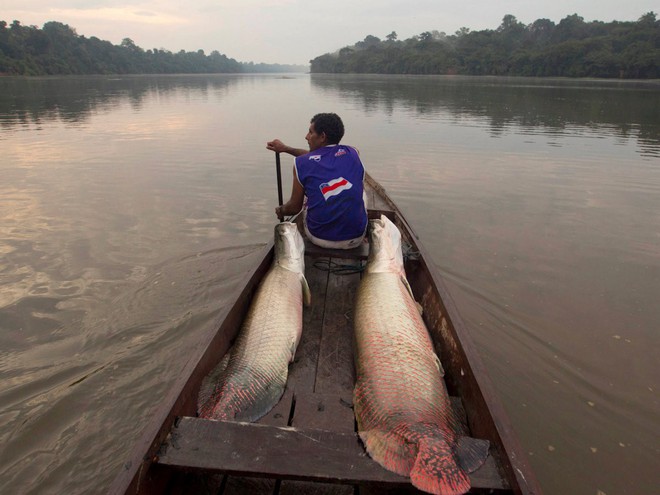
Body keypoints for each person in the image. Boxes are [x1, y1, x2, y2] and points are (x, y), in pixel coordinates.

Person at [266, 113, 368, 250]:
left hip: (319, 237)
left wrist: (281, 210)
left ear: (322, 137)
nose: (306, 137)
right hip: (356, 238)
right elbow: (316, 156)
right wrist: (286, 149)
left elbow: (294, 208)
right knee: (362, 193)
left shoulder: (301, 164)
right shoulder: (353, 153)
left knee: (305, 201)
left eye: (310, 132)